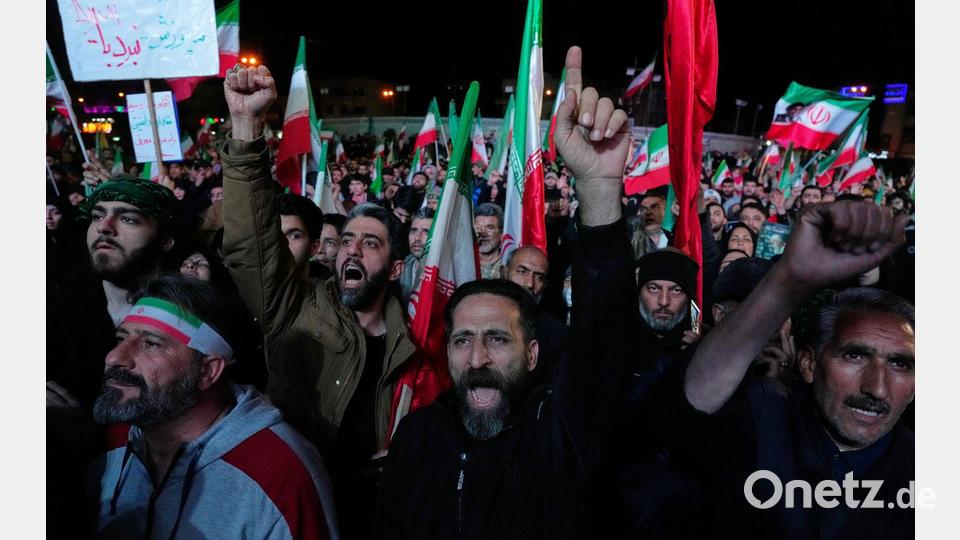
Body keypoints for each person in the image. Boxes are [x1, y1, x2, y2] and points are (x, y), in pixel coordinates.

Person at [376, 44, 641, 540]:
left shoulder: (559, 433)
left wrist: (600, 193)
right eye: (462, 340)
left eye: (498, 339)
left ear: (534, 351)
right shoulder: (416, 438)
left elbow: (604, 341)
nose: (477, 356)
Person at [221, 64, 416, 540]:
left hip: (378, 511)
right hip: (298, 500)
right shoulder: (295, 305)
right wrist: (246, 130)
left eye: (370, 243)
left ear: (395, 268)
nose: (351, 248)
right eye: (347, 239)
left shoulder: (417, 333)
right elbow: (251, 245)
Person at [677, 200, 912, 538]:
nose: (876, 388)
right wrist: (788, 278)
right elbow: (686, 410)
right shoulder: (758, 423)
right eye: (855, 357)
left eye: (901, 364)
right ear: (808, 363)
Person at [87, 275, 340, 540]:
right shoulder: (115, 440)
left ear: (207, 371)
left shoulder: (280, 473)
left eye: (150, 344)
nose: (114, 357)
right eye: (120, 339)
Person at [278, 192, 328, 280]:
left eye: (295, 236)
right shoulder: (248, 291)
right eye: (276, 234)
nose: (281, 242)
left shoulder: (327, 292)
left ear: (314, 247)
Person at [398, 207, 434, 303]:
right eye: (413, 231)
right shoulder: (399, 269)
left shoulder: (446, 275)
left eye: (426, 232)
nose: (417, 237)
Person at [474, 202, 504, 279]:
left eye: (490, 227)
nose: (483, 233)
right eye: (478, 227)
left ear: (501, 235)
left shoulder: (507, 264)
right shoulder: (463, 260)